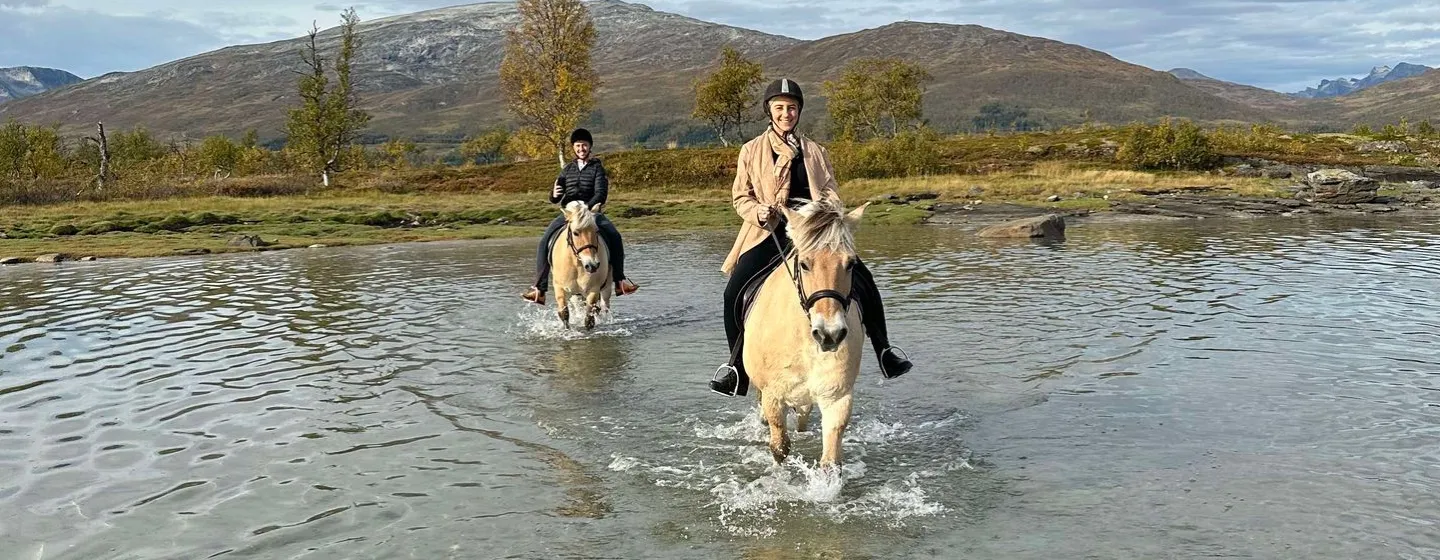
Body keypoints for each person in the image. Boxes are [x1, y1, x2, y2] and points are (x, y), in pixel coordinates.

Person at [708, 78, 913, 397]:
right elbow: (740, 197)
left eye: (792, 108)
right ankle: (736, 368)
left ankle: (885, 352)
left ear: (799, 111)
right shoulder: (751, 151)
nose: (786, 113)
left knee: (864, 280)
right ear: (769, 111)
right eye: (779, 108)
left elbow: (831, 188)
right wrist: (759, 211)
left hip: (815, 232)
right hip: (770, 231)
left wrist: (826, 208)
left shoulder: (816, 151)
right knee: (733, 292)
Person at [521, 128, 639, 305]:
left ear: (590, 146)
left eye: (584, 145)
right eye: (578, 146)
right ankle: (540, 288)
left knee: (614, 236)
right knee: (544, 241)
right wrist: (553, 194)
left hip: (591, 212)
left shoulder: (597, 168)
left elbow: (601, 193)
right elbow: (556, 196)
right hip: (570, 213)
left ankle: (619, 281)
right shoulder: (568, 169)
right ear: (573, 148)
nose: (581, 148)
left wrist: (586, 209)